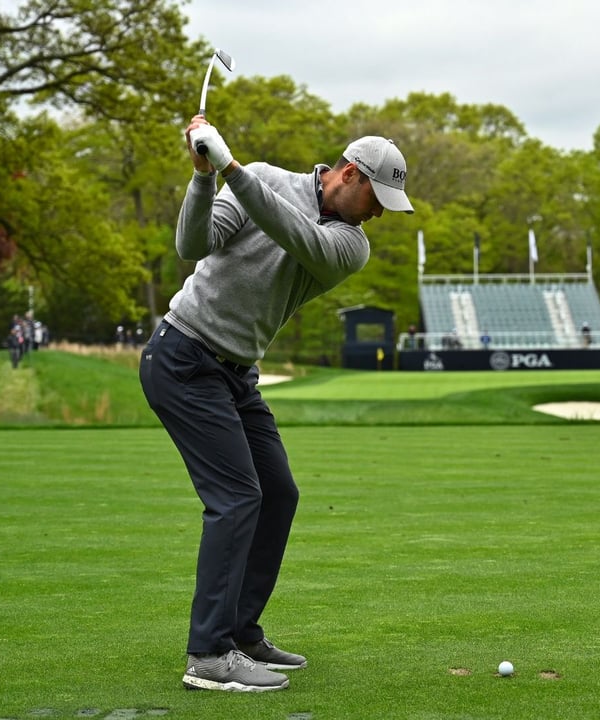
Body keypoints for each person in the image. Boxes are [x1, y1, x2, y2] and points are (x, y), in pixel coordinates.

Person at [139, 116, 413, 693]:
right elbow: (191, 246)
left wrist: (232, 169)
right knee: (237, 497)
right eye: (377, 198)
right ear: (348, 174)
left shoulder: (349, 245)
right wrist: (202, 175)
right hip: (183, 357)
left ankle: (238, 631)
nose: (379, 214)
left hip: (236, 376)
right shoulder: (262, 177)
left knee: (278, 493)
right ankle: (209, 655)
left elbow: (298, 236)